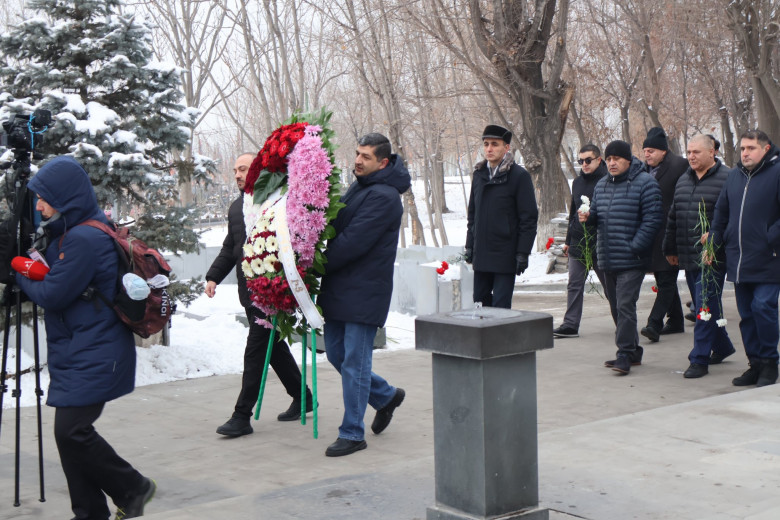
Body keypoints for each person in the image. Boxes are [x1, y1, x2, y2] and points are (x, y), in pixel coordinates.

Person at [15, 157, 155, 520]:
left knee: (73, 432)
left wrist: (17, 274)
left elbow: (53, 294)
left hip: (96, 351)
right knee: (69, 437)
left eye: (44, 198)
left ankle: (133, 487)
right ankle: (89, 513)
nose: (39, 205)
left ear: (65, 197)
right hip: (79, 349)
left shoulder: (82, 239)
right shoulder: (71, 232)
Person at [206, 153, 313, 437]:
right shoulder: (236, 207)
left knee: (255, 351)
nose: (237, 175)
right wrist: (214, 276)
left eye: (243, 169)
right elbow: (231, 246)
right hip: (248, 291)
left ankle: (242, 415)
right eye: (235, 170)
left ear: (258, 169)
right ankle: (302, 396)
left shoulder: (276, 201)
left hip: (272, 291)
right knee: (273, 348)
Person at [318, 133, 409, 457]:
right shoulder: (362, 186)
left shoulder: (384, 196)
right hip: (341, 286)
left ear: (382, 163)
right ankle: (385, 396)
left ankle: (352, 433)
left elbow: (353, 242)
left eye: (365, 156)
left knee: (355, 363)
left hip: (365, 291)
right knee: (336, 355)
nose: (357, 160)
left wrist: (314, 264)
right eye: (357, 153)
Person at [579, 140, 662, 375]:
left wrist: (635, 246)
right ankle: (633, 351)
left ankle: (624, 353)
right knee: (617, 306)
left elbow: (653, 219)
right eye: (609, 159)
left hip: (632, 259)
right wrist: (588, 218)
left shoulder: (646, 183)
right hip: (607, 256)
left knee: (625, 304)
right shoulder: (602, 184)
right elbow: (597, 214)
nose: (612, 163)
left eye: (616, 158)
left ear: (628, 159)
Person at [709, 129, 780, 387]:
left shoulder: (777, 172)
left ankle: (770, 363)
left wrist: (771, 237)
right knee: (747, 314)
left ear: (766, 149)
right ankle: (755, 364)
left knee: (763, 307)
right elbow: (721, 212)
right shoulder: (734, 176)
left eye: (751, 148)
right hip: (739, 259)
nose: (745, 153)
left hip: (770, 258)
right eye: (742, 149)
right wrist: (715, 241)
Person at [663, 135, 735, 378]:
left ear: (712, 152)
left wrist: (716, 237)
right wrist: (670, 248)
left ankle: (699, 359)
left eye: (696, 152)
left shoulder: (728, 178)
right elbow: (674, 216)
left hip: (713, 256)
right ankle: (723, 346)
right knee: (707, 306)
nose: (691, 156)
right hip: (688, 253)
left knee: (704, 306)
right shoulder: (684, 180)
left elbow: (734, 218)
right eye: (689, 152)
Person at [464, 124, 538, 309]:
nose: (489, 149)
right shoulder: (479, 174)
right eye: (486, 144)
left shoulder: (519, 176)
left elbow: (528, 218)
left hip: (505, 253)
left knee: (501, 308)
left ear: (506, 147)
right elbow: (472, 215)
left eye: (494, 144)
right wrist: (470, 245)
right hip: (482, 253)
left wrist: (523, 252)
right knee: (480, 304)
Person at [553, 144, 608, 338]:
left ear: (598, 160)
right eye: (581, 161)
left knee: (610, 287)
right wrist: (568, 240)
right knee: (574, 284)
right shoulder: (577, 182)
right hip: (578, 240)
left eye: (588, 160)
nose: (584, 164)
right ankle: (570, 324)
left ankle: (623, 321)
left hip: (600, 242)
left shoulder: (607, 181)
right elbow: (572, 212)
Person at [640, 127, 688, 343]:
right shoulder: (644, 169)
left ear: (663, 151)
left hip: (672, 232)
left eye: (651, 151)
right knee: (663, 277)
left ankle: (654, 323)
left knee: (667, 278)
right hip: (653, 233)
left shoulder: (679, 166)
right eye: (645, 151)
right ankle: (676, 320)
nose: (647, 154)